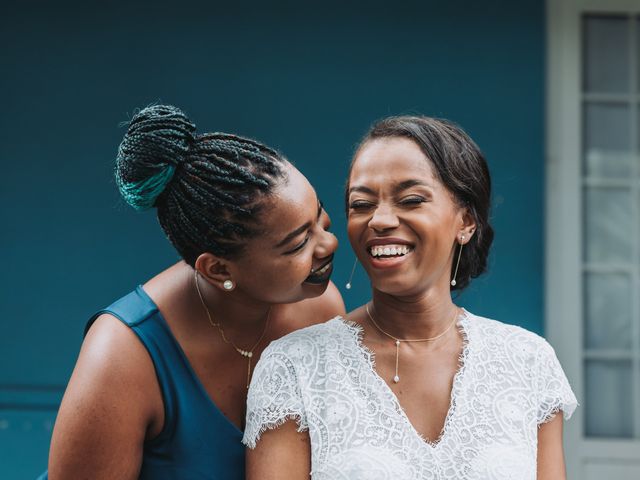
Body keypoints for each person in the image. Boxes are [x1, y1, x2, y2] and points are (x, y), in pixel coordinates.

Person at [243, 116, 577, 480]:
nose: (380, 220)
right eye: (361, 204)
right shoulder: (294, 369)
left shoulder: (529, 363)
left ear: (465, 221)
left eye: (411, 199)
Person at [42, 105, 345, 479]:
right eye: (298, 244)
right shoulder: (122, 355)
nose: (329, 242)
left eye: (320, 216)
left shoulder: (320, 310)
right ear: (217, 269)